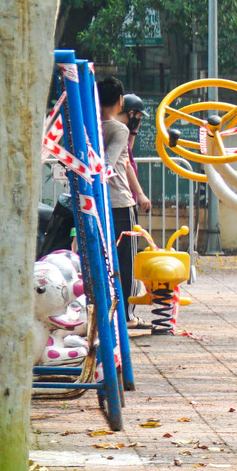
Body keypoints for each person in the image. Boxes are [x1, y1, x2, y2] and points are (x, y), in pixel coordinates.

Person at [97, 76, 149, 315]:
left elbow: (124, 162)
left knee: (103, 258)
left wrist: (140, 193)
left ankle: (107, 309)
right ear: (120, 101)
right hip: (119, 202)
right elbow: (108, 163)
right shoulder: (118, 128)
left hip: (98, 202)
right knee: (126, 261)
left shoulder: (92, 126)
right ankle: (126, 313)